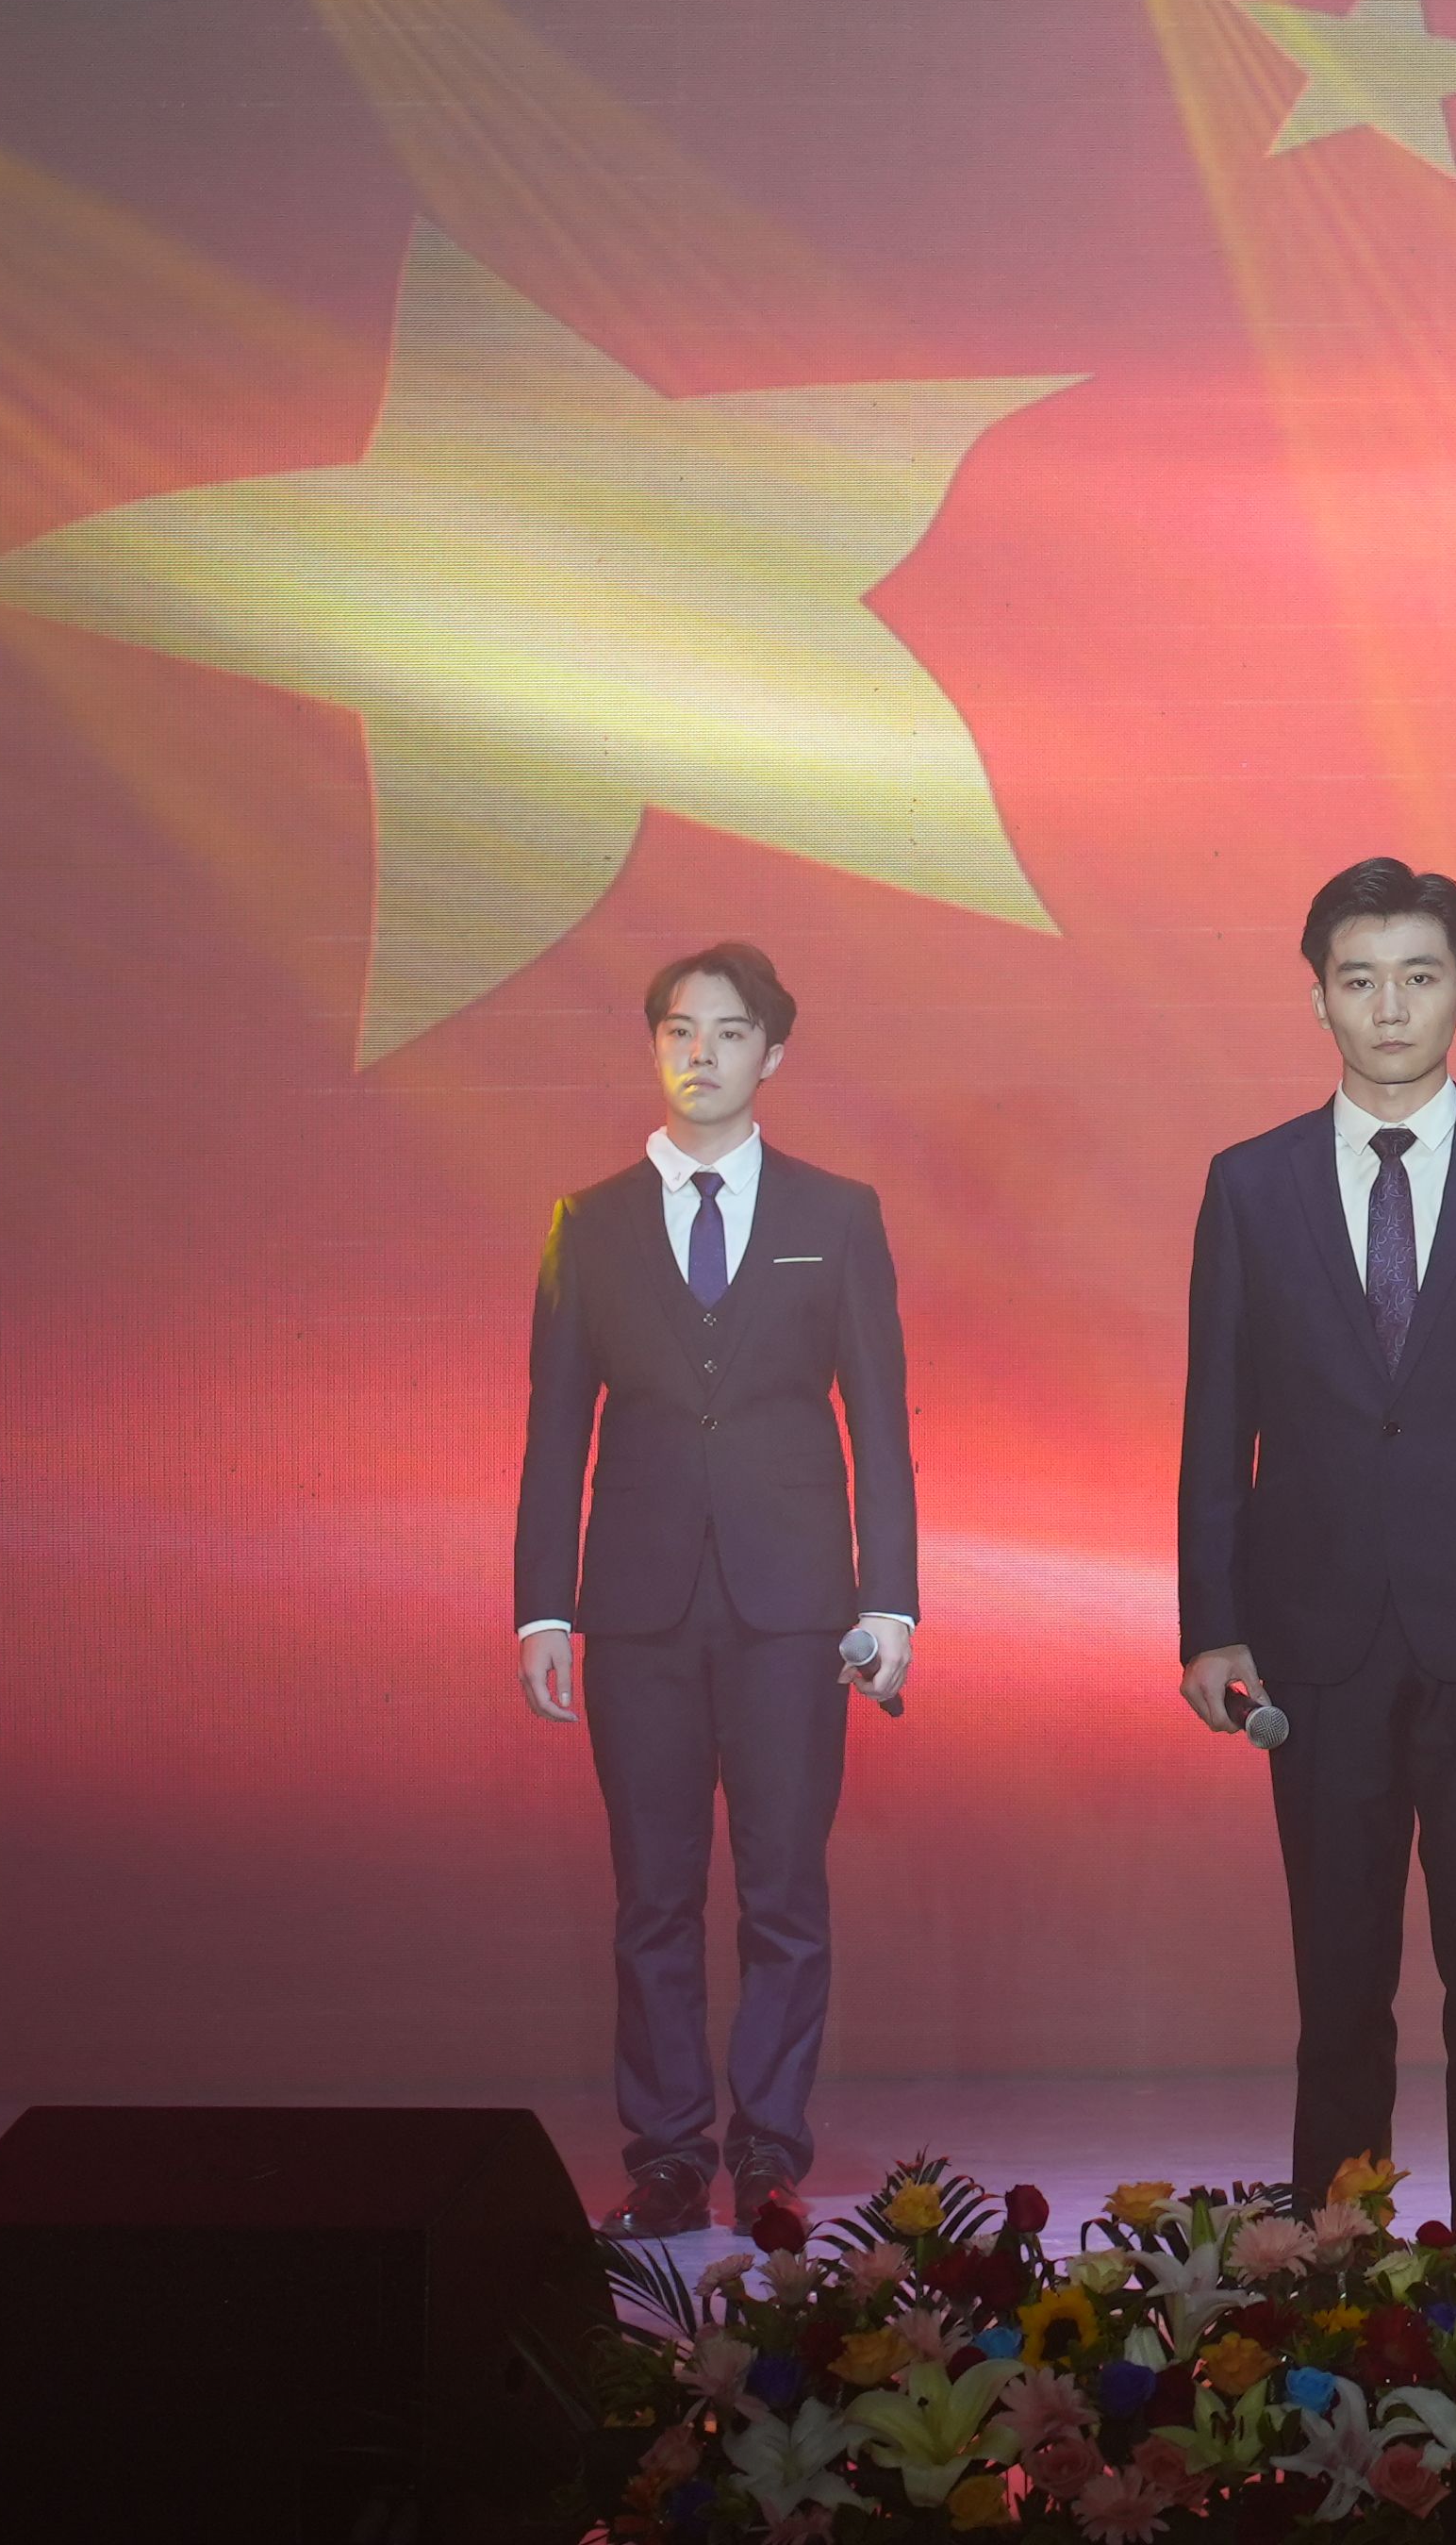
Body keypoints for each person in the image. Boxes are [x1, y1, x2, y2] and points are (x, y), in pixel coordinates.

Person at [1175, 856, 1456, 2228]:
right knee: (1338, 1979)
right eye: (1360, 979)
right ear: (1318, 998)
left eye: (1420, 977)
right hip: (1312, 1642)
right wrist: (1213, 1624)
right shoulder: (1249, 1184)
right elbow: (1216, 1420)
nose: (1390, 1008)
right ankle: (1336, 2268)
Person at [512, 942, 920, 2238]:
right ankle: (669, 2155)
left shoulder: (836, 1215)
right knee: (654, 1895)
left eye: (730, 1032)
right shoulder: (589, 1221)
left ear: (772, 1054)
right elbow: (556, 1430)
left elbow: (880, 1418)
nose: (702, 1053)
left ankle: (771, 2153)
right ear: (654, 1048)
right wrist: (543, 1608)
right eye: (679, 1031)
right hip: (635, 1608)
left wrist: (891, 1601)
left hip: (795, 1607)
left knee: (785, 1889)